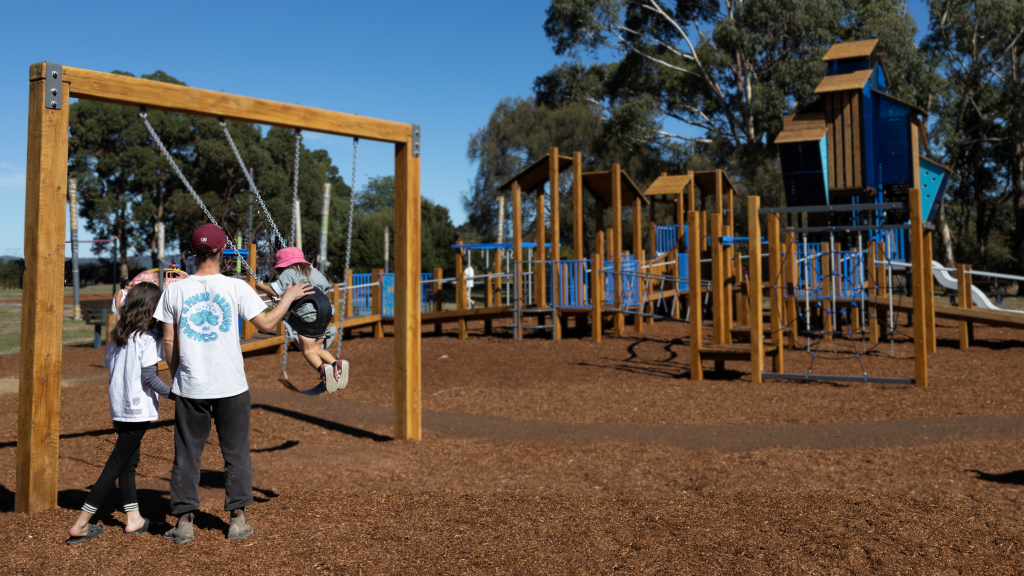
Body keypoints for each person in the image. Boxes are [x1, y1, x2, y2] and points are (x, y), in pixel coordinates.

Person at [156, 224, 314, 545]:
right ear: (222, 251)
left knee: (187, 453)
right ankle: (238, 520)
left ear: (192, 252)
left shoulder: (173, 290)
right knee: (236, 450)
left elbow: (168, 342)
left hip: (191, 386)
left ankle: (184, 522)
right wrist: (287, 297)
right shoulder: (236, 287)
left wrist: (178, 376)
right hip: (231, 384)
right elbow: (268, 324)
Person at [67, 282, 170, 545]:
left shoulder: (118, 336)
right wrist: (178, 395)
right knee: (114, 464)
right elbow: (150, 377)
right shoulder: (147, 339)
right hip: (138, 410)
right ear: (152, 308)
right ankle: (80, 525)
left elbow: (121, 302)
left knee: (127, 463)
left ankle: (133, 519)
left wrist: (140, 290)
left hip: (119, 407)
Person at [255, 247, 347, 391]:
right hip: (326, 311)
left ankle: (324, 370)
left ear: (283, 265)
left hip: (308, 314)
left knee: (308, 351)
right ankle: (336, 364)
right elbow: (325, 289)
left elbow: (274, 291)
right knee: (317, 347)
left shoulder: (288, 273)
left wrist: (260, 286)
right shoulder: (315, 272)